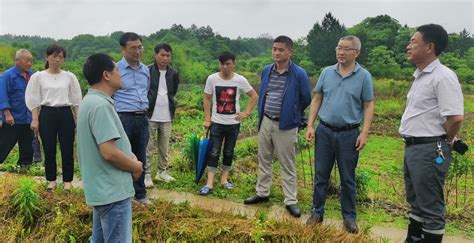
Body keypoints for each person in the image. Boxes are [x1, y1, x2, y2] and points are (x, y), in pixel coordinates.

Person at [400, 24, 464, 243]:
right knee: (416, 201)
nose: (408, 47)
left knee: (430, 205)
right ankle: (413, 239)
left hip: (430, 148)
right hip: (414, 148)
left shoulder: (443, 76)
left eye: (413, 42)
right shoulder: (421, 75)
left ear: (429, 47)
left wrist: (445, 141)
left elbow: (455, 118)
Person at [305, 36, 374, 233]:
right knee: (320, 175)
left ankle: (349, 217)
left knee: (348, 178)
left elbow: (368, 105)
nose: (341, 52)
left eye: (346, 49)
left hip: (349, 134)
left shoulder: (364, 76)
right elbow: (317, 98)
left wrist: (365, 132)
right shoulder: (327, 72)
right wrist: (310, 125)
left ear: (357, 53)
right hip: (325, 131)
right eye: (339, 48)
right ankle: (317, 213)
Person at [78, 53, 144, 242]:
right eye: (116, 70)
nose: (120, 74)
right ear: (106, 75)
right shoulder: (100, 106)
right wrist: (135, 167)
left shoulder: (90, 101)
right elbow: (108, 152)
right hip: (112, 192)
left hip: (102, 190)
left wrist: (129, 154)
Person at [244, 36, 311, 218]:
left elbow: (306, 98)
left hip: (286, 125)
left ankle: (290, 200)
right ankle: (262, 192)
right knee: (264, 159)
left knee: (287, 163)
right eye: (274, 49)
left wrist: (292, 112)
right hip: (266, 121)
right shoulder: (267, 70)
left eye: (281, 50)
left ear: (290, 51)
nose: (276, 53)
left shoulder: (298, 73)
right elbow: (264, 93)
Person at [199, 51, 258, 195]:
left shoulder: (240, 80)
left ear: (233, 64)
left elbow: (254, 95)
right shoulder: (212, 79)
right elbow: (207, 98)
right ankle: (209, 183)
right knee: (214, 152)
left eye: (228, 64)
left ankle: (224, 179)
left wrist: (246, 113)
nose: (225, 67)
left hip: (233, 123)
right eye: (222, 64)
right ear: (219, 64)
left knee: (229, 151)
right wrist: (208, 118)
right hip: (217, 123)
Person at [25, 44, 82, 190]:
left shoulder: (69, 76)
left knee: (67, 147)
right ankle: (51, 180)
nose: (57, 60)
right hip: (47, 114)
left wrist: (78, 117)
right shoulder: (38, 76)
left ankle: (68, 181)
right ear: (47, 57)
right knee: (49, 148)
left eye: (60, 57)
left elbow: (76, 99)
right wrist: (35, 118)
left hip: (65, 114)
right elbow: (33, 99)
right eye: (54, 56)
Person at [115, 32, 151, 205]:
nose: (138, 51)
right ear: (123, 49)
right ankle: (123, 192)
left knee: (141, 155)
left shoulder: (145, 70)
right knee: (123, 155)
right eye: (133, 48)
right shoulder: (115, 70)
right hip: (123, 118)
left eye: (140, 47)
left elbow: (146, 92)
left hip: (142, 118)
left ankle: (140, 193)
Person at [145, 43, 180, 187]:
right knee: (148, 146)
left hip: (167, 115)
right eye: (162, 55)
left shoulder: (174, 73)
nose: (165, 58)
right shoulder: (147, 71)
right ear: (155, 55)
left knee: (164, 146)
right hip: (150, 114)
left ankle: (162, 172)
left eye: (168, 55)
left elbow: (173, 91)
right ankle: (146, 174)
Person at [0, 49, 34, 169]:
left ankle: (25, 170)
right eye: (26, 60)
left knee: (27, 149)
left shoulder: (32, 76)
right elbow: (2, 95)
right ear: (17, 60)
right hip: (13, 119)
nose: (29, 63)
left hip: (28, 119)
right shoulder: (7, 75)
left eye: (31, 61)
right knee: (3, 146)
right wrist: (7, 114)